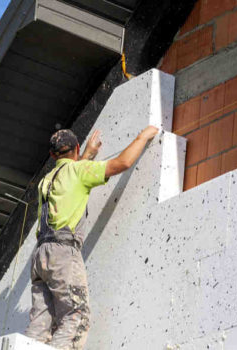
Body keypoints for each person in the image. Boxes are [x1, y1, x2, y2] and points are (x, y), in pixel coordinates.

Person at [25, 125, 160, 349]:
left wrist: (86, 155)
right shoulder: (79, 172)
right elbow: (122, 164)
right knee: (76, 316)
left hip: (41, 256)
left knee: (40, 324)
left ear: (52, 155)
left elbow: (68, 177)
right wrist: (142, 136)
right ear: (76, 148)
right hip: (63, 254)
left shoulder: (46, 180)